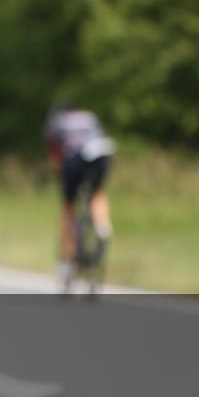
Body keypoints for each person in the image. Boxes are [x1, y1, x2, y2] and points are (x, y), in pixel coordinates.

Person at [44, 103, 115, 288]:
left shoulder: (58, 121)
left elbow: (55, 156)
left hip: (74, 157)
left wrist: (61, 178)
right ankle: (102, 226)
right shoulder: (90, 116)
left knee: (68, 207)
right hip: (100, 152)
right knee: (97, 193)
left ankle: (67, 262)